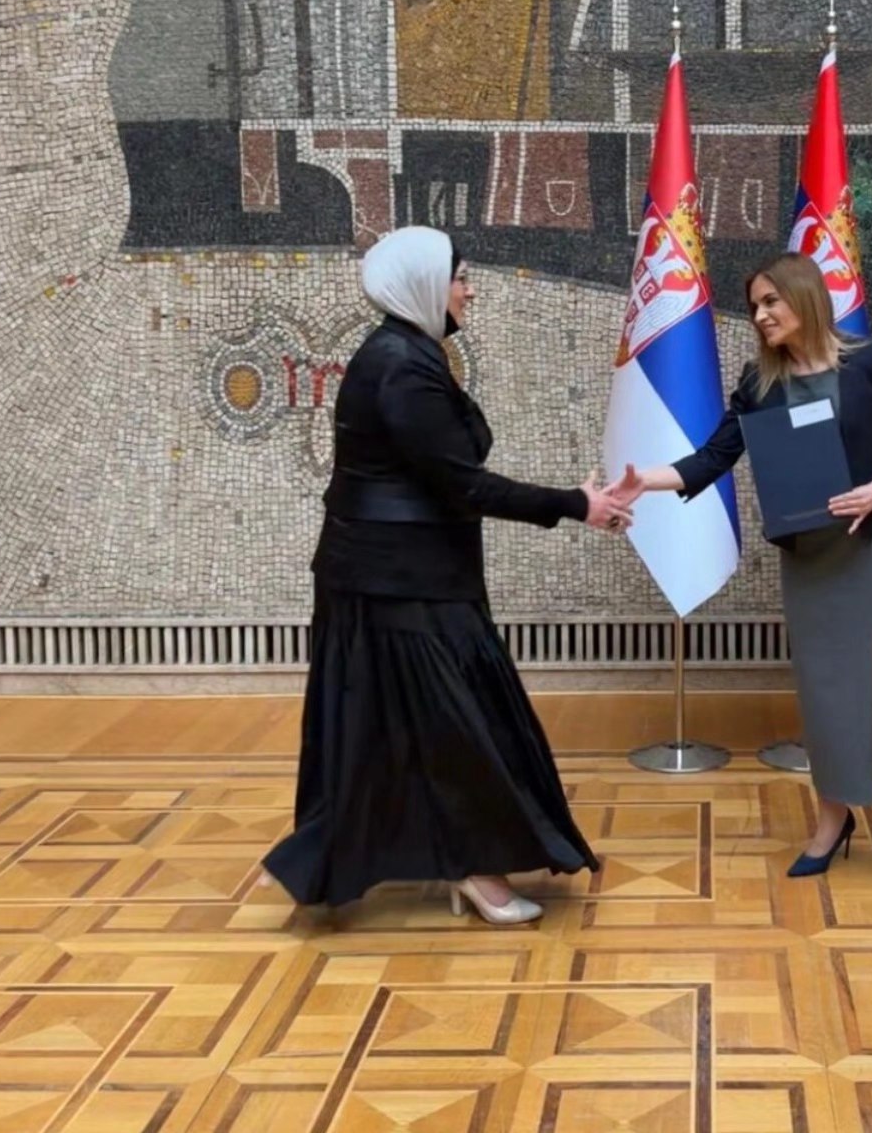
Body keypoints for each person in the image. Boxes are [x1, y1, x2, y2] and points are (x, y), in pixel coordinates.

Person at [263, 226, 633, 922]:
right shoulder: (400, 366)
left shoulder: (407, 353)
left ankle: (436, 858)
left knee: (411, 725)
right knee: (453, 725)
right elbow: (465, 484)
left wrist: (572, 503)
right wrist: (575, 505)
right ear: (425, 285)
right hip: (395, 581)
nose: (469, 290)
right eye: (460, 277)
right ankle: (471, 867)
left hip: (398, 574)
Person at [608, 251, 872, 891]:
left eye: (769, 302)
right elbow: (711, 459)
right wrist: (644, 480)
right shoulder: (759, 383)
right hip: (812, 557)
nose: (759, 315)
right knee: (827, 690)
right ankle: (833, 817)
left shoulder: (869, 361)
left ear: (804, 296)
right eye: (754, 306)